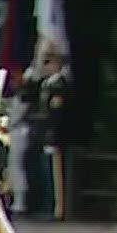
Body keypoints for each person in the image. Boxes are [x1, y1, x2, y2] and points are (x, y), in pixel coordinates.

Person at [22, 50, 70, 220]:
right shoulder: (44, 83)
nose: (45, 67)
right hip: (38, 132)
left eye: (48, 63)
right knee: (35, 168)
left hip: (51, 134)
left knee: (50, 173)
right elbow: (28, 98)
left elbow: (56, 114)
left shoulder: (61, 85)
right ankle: (36, 204)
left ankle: (52, 208)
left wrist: (52, 135)